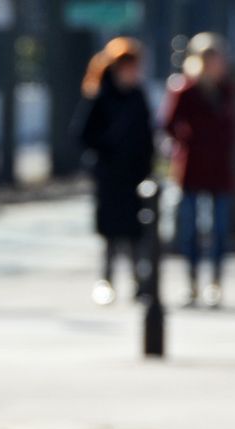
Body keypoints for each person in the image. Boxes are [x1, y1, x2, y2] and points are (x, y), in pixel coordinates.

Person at [72, 37, 155, 307]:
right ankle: (106, 280)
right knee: (110, 233)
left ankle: (138, 281)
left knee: (135, 232)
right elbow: (82, 134)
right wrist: (106, 148)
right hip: (109, 175)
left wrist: (148, 167)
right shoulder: (100, 96)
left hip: (134, 176)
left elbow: (147, 136)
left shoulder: (138, 96)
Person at [163, 32, 235, 308]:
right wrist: (188, 141)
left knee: (219, 229)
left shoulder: (225, 90)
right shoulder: (186, 90)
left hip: (219, 169)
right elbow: (169, 123)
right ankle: (192, 281)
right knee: (190, 229)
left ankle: (215, 282)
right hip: (192, 168)